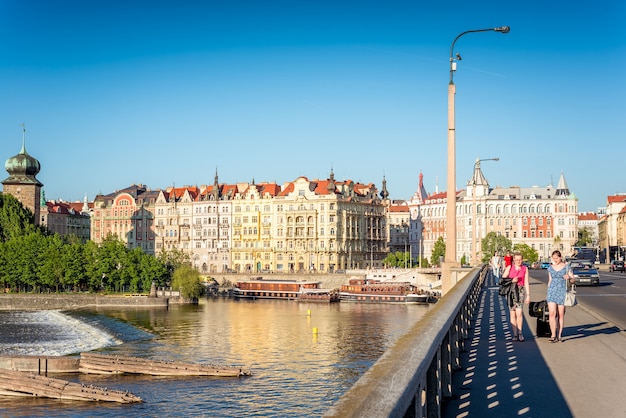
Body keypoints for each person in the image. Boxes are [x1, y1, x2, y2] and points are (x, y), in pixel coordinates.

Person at [546, 250, 575, 342]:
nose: (555, 260)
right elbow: (550, 280)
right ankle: (553, 335)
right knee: (552, 313)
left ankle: (559, 335)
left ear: (560, 257)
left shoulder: (566, 267)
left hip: (562, 291)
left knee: (561, 314)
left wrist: (569, 277)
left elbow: (573, 280)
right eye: (554, 258)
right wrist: (548, 292)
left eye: (557, 258)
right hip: (552, 291)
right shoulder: (550, 267)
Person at [501, 252, 530, 342]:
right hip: (511, 292)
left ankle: (520, 333)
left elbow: (526, 282)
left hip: (520, 291)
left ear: (522, 260)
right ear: (513, 260)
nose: (518, 261)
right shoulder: (510, 268)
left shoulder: (525, 269)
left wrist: (528, 295)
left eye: (520, 260)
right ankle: (515, 334)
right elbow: (503, 279)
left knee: (519, 312)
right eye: (516, 260)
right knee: (512, 313)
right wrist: (512, 280)